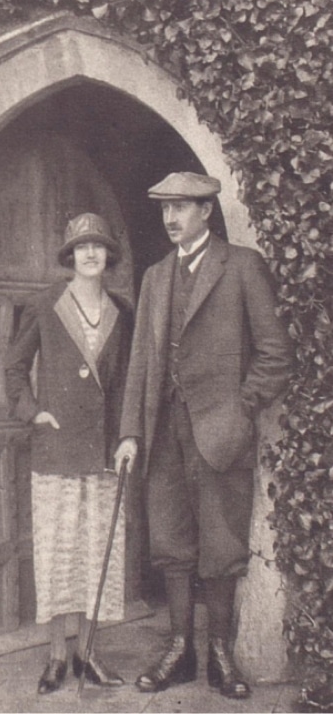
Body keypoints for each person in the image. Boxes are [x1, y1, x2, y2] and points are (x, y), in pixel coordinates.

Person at [115, 172, 293, 699]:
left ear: (206, 212)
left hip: (220, 433)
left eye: (182, 208)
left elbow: (276, 353)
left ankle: (219, 651)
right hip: (163, 430)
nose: (171, 218)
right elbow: (142, 363)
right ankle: (179, 649)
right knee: (171, 542)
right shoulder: (154, 277)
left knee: (221, 544)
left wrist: (241, 410)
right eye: (165, 208)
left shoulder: (240, 266)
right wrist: (130, 432)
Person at [5, 212, 132, 695]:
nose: (91, 254)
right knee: (58, 552)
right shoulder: (44, 305)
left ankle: (90, 653)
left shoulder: (122, 310)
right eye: (82, 248)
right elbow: (13, 367)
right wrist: (32, 411)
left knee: (96, 551)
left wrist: (127, 435)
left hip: (102, 449)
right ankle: (57, 654)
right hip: (56, 448)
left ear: (109, 255)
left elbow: (126, 382)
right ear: (70, 256)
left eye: (99, 246)